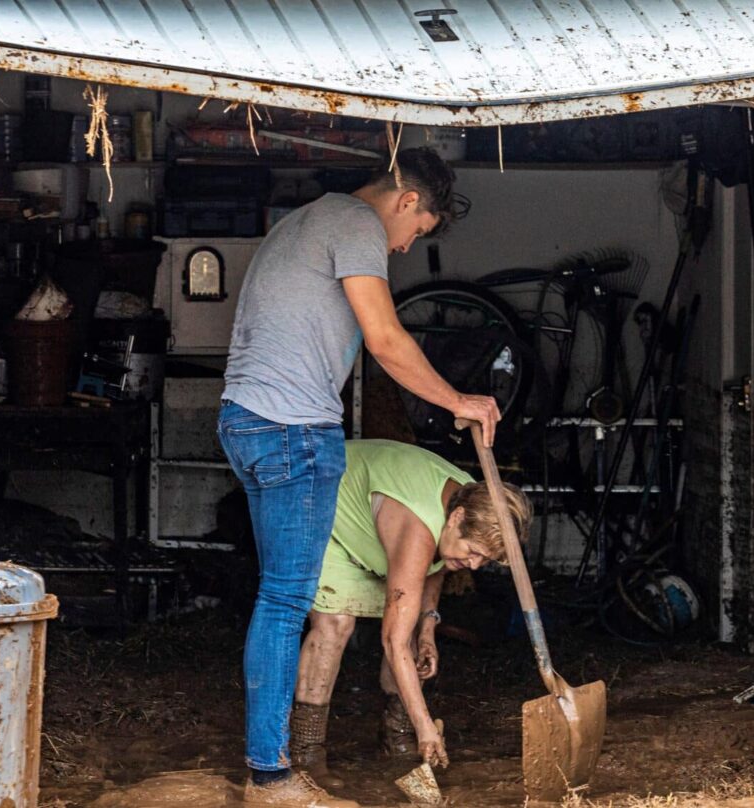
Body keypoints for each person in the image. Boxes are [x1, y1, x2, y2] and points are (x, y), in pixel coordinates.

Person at [217, 148, 502, 808]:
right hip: (294, 427)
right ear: (407, 202)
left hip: (247, 420)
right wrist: (459, 401)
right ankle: (270, 774)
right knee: (286, 602)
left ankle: (277, 763)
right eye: (418, 232)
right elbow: (385, 339)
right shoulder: (357, 224)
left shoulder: (305, 219)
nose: (403, 248)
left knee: (281, 599)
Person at [288, 440, 532, 790]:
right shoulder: (419, 522)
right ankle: (306, 753)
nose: (475, 566)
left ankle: (397, 736)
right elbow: (393, 639)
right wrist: (426, 724)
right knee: (335, 625)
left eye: (486, 561)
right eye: (474, 553)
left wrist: (429, 627)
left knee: (411, 627)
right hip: (327, 508)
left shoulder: (469, 500)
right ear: (456, 519)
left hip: (379, 530)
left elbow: (435, 568)